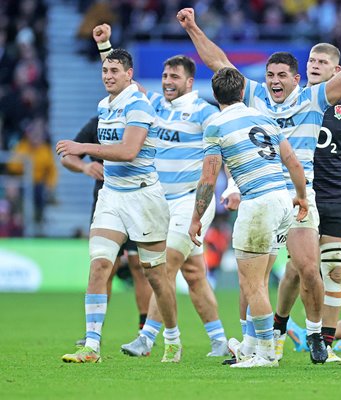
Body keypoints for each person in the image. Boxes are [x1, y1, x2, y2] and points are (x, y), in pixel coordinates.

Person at [177, 6, 341, 364]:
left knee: (308, 267)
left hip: (301, 195)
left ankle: (315, 335)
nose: (274, 81)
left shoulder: (315, 98)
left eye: (282, 75)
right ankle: (252, 343)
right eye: (270, 75)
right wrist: (193, 28)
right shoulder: (256, 97)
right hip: (262, 192)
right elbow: (219, 63)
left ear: (296, 80)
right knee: (255, 272)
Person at [90, 24, 230, 358]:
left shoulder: (205, 113)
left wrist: (233, 188)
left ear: (189, 82)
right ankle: (220, 340)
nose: (167, 82)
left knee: (163, 266)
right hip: (158, 201)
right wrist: (105, 44)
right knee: (194, 275)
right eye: (165, 76)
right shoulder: (150, 104)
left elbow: (222, 155)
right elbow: (123, 79)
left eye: (174, 77)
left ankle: (148, 337)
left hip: (190, 202)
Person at [57, 48, 180, 363]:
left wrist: (83, 147)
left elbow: (129, 151)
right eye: (105, 71)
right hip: (111, 195)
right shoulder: (103, 106)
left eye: (115, 71)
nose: (108, 76)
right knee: (100, 264)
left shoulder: (139, 105)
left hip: (143, 197)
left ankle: (172, 338)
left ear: (129, 75)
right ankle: (92, 346)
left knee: (154, 275)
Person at [188, 67, 308, 368]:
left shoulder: (215, 125)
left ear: (216, 96)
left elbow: (208, 178)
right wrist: (302, 196)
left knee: (251, 284)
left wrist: (195, 218)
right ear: (242, 92)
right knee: (261, 278)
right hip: (282, 199)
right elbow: (292, 161)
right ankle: (251, 346)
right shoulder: (265, 118)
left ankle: (266, 354)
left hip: (258, 204)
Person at [273, 42, 341, 363]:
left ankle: (325, 343)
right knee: (297, 269)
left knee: (334, 270)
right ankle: (279, 330)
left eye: (322, 62)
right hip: (301, 194)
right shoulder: (292, 100)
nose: (314, 65)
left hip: (336, 195)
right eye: (311, 60)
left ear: (337, 71)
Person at [60, 115, 152, 336]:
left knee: (138, 266)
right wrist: (84, 166)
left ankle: (144, 333)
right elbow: (67, 156)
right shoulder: (98, 122)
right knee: (104, 266)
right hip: (105, 203)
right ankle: (93, 333)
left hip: (138, 202)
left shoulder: (140, 122)